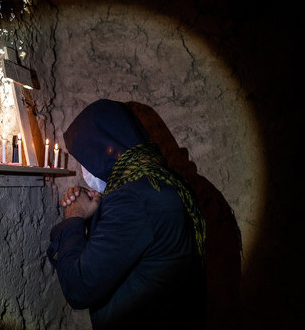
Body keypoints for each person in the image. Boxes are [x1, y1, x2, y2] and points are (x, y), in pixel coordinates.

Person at [47, 99, 207, 329]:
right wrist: (99, 213)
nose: (84, 169)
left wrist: (74, 217)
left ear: (103, 151)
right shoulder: (163, 181)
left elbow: (79, 288)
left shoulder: (131, 200)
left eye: (84, 160)